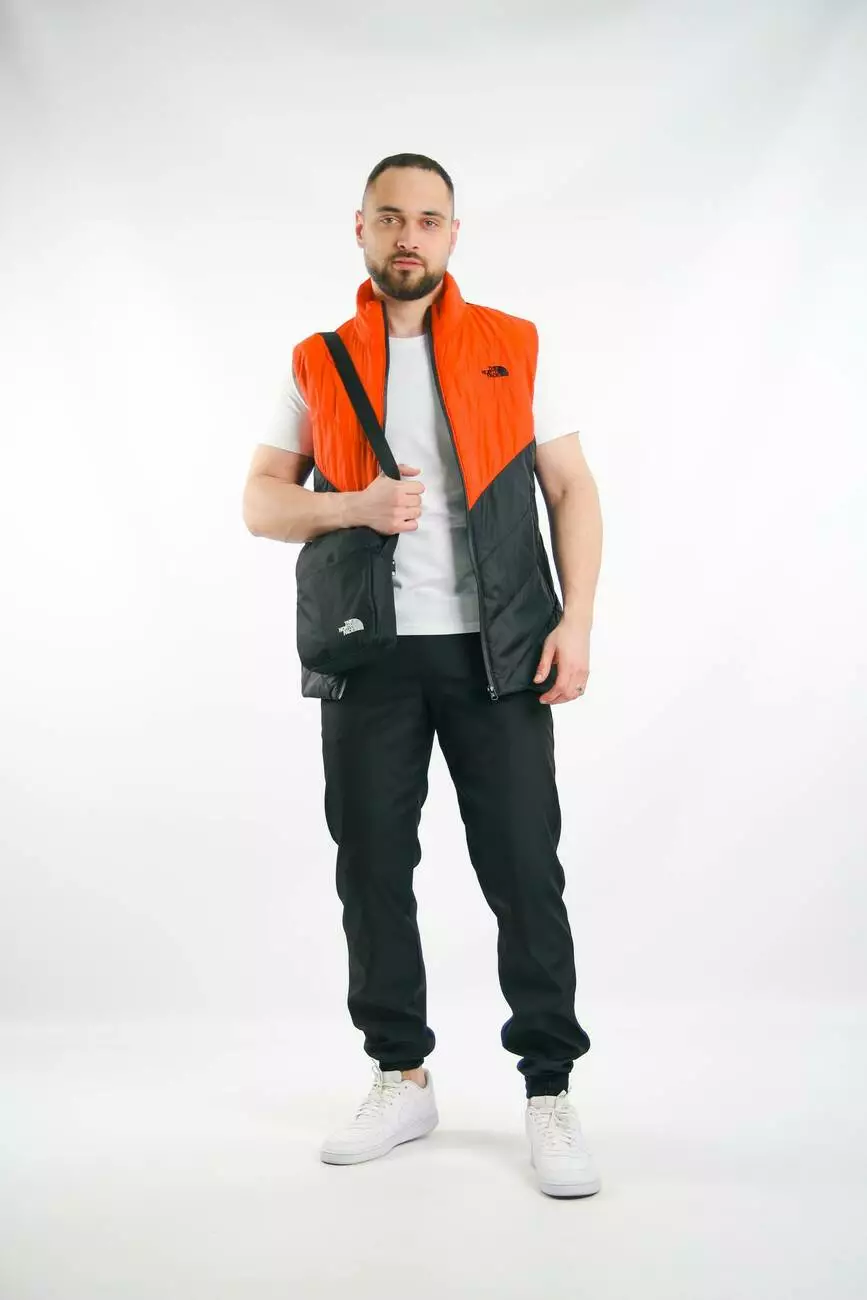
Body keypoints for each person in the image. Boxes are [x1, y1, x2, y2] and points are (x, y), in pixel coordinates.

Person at [243, 153, 604, 1198]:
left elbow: (571, 488)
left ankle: (549, 1087)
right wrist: (350, 506)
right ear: (360, 228)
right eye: (391, 217)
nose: (410, 235)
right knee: (371, 869)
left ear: (453, 232)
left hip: (500, 649)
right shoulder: (317, 360)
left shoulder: (514, 345)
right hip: (370, 653)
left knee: (524, 869)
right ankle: (400, 1074)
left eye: (429, 219)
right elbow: (261, 501)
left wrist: (576, 621)